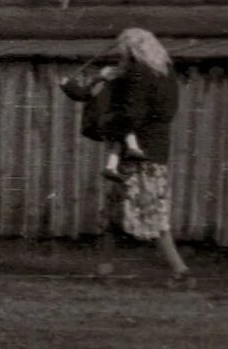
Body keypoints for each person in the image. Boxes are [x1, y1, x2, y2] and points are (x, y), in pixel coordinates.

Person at [62, 27, 189, 284]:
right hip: (154, 150)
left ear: (131, 50)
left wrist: (105, 123)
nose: (121, 56)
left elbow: (132, 114)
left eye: (123, 51)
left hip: (137, 155)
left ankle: (181, 272)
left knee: (150, 215)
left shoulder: (138, 75)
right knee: (118, 213)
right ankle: (103, 269)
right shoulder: (165, 74)